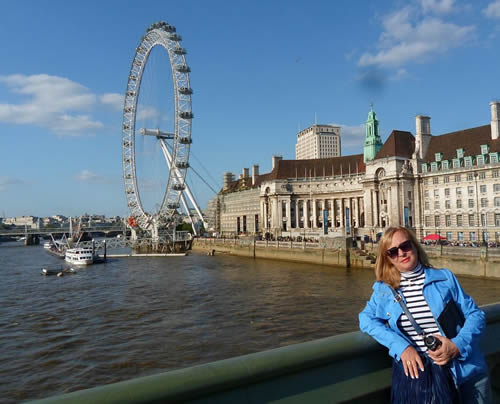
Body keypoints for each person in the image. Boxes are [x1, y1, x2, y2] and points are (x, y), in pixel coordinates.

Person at [359, 226, 491, 403]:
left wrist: (456, 345)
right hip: (423, 380)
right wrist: (401, 347)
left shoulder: (444, 278)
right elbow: (366, 320)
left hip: (463, 371)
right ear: (388, 259)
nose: (402, 253)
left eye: (405, 246)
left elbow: (476, 315)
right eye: (393, 251)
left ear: (415, 246)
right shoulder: (384, 291)